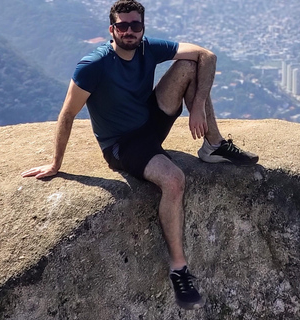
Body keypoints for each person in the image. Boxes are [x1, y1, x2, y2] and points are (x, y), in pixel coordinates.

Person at [21, 0, 258, 311]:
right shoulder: (93, 66)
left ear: (143, 28)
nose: (129, 31)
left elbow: (207, 55)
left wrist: (198, 104)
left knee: (189, 66)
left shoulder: (148, 48)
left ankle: (213, 146)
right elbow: (67, 114)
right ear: (111, 30)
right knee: (174, 180)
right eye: (122, 25)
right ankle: (179, 268)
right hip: (123, 145)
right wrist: (56, 164)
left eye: (135, 25)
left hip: (149, 122)